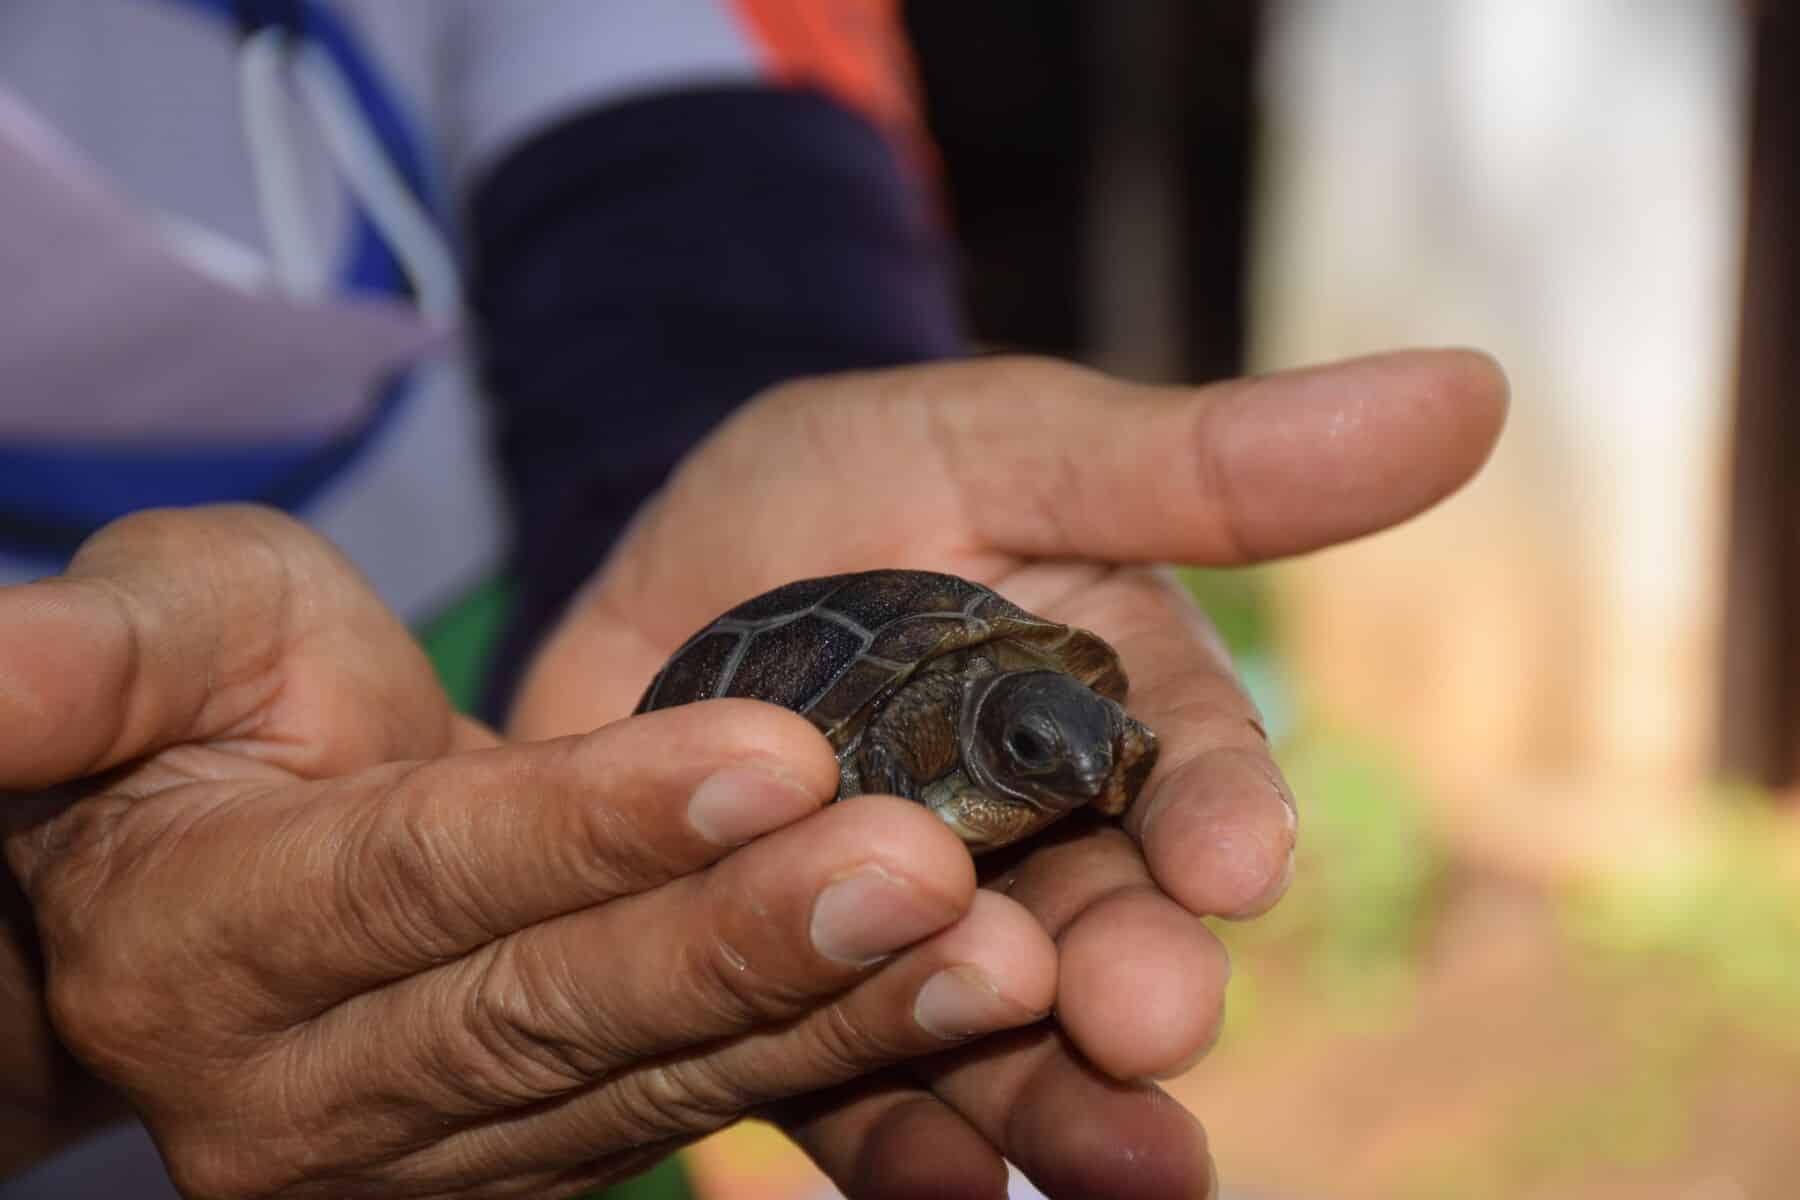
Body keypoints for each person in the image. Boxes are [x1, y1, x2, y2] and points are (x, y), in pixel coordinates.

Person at [0, 4, 1510, 1199]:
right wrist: (33, 988)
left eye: (1076, 753)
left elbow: (701, 186)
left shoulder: (1052, 705)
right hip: (484, 754)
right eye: (1063, 757)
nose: (1094, 769)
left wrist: (760, 421)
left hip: (535, 660)